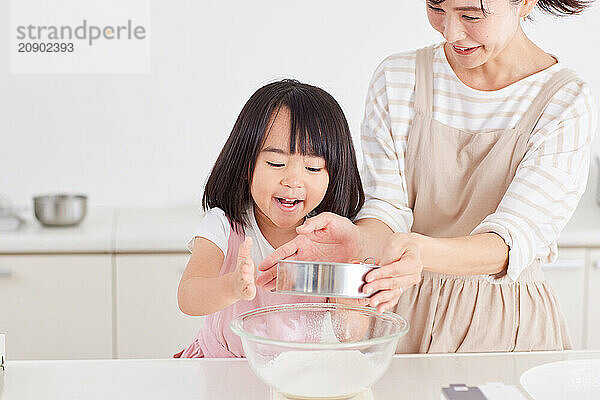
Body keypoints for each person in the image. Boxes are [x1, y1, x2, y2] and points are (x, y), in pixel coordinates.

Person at [258, 0, 598, 352]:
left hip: (505, 319)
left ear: (524, 2)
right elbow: (387, 207)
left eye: (470, 15)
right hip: (402, 312)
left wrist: (417, 248)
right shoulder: (399, 78)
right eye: (437, 8)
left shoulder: (565, 101)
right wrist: (358, 241)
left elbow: (510, 241)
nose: (451, 33)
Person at [175, 79, 365, 357]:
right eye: (276, 163)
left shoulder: (329, 239)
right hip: (223, 369)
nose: (293, 181)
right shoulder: (225, 226)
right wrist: (232, 286)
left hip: (297, 376)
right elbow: (188, 297)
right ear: (245, 166)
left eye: (313, 167)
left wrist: (348, 268)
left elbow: (351, 333)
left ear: (333, 176)